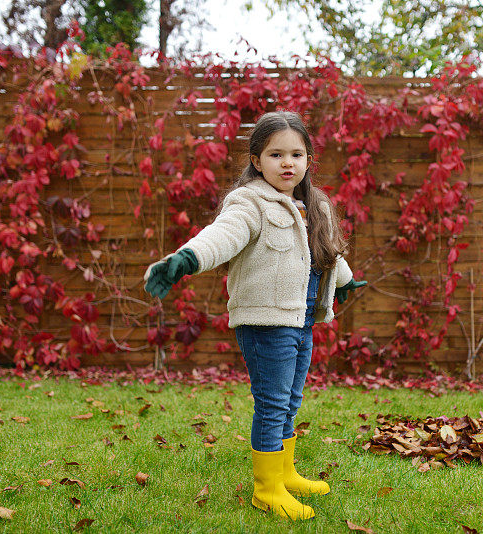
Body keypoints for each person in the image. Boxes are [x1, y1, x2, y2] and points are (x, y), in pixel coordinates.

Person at [143, 110, 367, 520]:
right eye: (275, 154)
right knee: (272, 403)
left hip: (302, 320)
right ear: (256, 160)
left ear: (308, 160)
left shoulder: (314, 203)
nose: (287, 163)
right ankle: (266, 489)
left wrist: (345, 280)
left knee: (291, 400)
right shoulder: (250, 203)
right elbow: (223, 236)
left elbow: (325, 251)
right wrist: (187, 258)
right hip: (266, 322)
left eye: (296, 154)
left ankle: (284, 472)